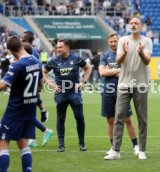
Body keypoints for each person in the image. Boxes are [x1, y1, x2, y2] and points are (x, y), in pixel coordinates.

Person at [104, 17, 153, 160]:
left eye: (136, 23)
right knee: (119, 116)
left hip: (141, 84)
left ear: (141, 26)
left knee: (142, 118)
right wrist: (125, 52)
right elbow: (118, 60)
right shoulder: (122, 40)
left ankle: (142, 150)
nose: (133, 25)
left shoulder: (147, 41)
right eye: (131, 23)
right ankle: (115, 151)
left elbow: (147, 61)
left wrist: (141, 53)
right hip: (124, 84)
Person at [0, 35, 43, 172]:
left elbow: (2, 85)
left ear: (11, 51)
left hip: (15, 109)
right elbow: (40, 85)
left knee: (3, 141)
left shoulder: (17, 65)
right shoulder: (36, 61)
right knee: (23, 142)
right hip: (30, 109)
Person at [43, 39, 92, 152]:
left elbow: (88, 68)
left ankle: (82, 143)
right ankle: (61, 144)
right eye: (57, 47)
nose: (58, 49)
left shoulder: (76, 58)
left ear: (67, 48)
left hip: (75, 93)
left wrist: (84, 82)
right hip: (60, 94)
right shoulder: (53, 61)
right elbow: (44, 72)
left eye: (60, 47)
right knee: (60, 119)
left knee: (79, 118)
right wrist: (51, 84)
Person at [99, 33, 139, 155]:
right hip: (107, 91)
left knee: (127, 119)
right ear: (108, 43)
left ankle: (136, 146)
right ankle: (114, 148)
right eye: (111, 41)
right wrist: (117, 71)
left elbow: (129, 71)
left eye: (115, 41)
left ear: (119, 41)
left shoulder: (125, 54)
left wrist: (109, 70)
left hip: (123, 91)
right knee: (110, 120)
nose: (113, 43)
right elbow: (102, 72)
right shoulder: (105, 56)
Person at [20, 31, 53, 147]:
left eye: (21, 36)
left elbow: (34, 68)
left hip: (29, 85)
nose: (20, 37)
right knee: (29, 113)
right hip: (31, 85)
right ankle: (32, 138)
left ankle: (44, 130)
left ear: (25, 38)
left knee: (25, 114)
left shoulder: (30, 51)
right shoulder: (32, 50)